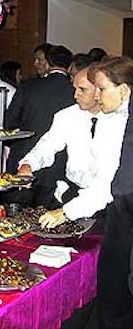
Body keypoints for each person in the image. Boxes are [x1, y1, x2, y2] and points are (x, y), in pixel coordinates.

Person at [18, 63, 127, 227]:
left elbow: (106, 181)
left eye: (82, 89)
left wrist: (67, 212)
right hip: (72, 195)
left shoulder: (120, 122)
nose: (75, 95)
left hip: (108, 202)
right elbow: (48, 145)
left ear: (98, 90)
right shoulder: (67, 116)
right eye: (74, 88)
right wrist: (28, 164)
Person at [86, 56, 133, 329]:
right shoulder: (111, 118)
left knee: (116, 293)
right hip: (118, 212)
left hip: (123, 214)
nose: (97, 95)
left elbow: (119, 186)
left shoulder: (123, 123)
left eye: (102, 88)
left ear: (124, 90)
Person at [5, 45, 75, 208]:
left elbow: (9, 124)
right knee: (48, 222)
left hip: (23, 159)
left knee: (15, 218)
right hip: (59, 166)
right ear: (70, 67)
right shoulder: (75, 92)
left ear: (48, 64)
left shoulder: (28, 87)